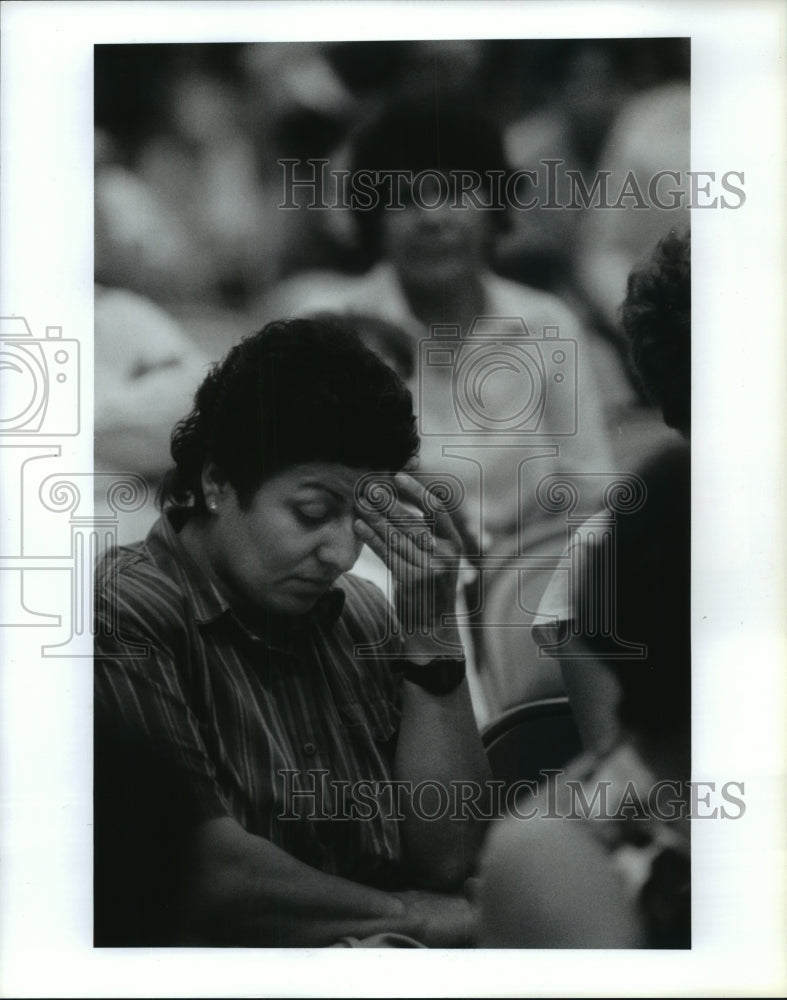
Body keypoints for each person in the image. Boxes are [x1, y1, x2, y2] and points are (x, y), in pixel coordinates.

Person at [94, 316, 491, 948]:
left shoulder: (362, 612)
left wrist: (433, 635)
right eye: (312, 513)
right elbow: (205, 875)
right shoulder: (124, 612)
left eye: (360, 518)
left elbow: (447, 855)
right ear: (218, 482)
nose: (339, 554)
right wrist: (408, 917)